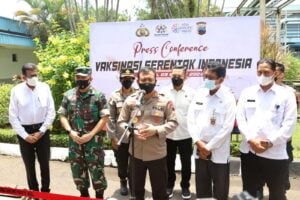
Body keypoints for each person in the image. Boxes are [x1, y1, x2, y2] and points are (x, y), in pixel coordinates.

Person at [237, 58, 297, 200]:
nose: (262, 75)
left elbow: (289, 125)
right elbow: (240, 119)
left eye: (266, 72)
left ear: (274, 73)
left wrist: (269, 143)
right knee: (249, 193)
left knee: (277, 193)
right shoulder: (247, 93)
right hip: (249, 152)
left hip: (275, 154)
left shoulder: (286, 95)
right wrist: (251, 140)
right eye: (259, 72)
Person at [118, 67, 178, 200]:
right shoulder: (131, 101)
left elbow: (174, 123)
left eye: (150, 79)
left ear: (156, 81)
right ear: (138, 81)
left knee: (160, 192)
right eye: (143, 80)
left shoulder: (164, 101)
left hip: (157, 154)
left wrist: (155, 130)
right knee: (136, 191)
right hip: (135, 154)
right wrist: (132, 133)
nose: (147, 82)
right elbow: (121, 122)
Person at [187, 62, 236, 200]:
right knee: (202, 189)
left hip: (218, 152)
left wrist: (208, 147)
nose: (206, 80)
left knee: (220, 190)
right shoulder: (200, 93)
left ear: (221, 80)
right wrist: (198, 142)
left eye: (210, 78)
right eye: (205, 76)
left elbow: (227, 127)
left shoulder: (228, 98)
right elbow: (191, 120)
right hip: (200, 150)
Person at [58, 67, 109, 199]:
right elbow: (62, 115)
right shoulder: (68, 95)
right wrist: (70, 132)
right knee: (78, 174)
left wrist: (91, 134)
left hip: (93, 144)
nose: (80, 80)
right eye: (78, 77)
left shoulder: (98, 96)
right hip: (75, 143)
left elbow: (105, 117)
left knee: (97, 174)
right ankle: (84, 195)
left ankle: (99, 197)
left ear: (90, 79)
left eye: (83, 78)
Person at [9, 63, 55, 193]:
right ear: (24, 77)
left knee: (45, 163)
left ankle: (45, 191)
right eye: (31, 76)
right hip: (25, 131)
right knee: (29, 165)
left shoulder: (44, 87)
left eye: (36, 75)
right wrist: (25, 135)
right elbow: (13, 116)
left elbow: (51, 112)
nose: (35, 78)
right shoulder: (16, 90)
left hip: (42, 130)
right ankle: (33, 192)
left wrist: (41, 131)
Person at [160, 66, 194, 199]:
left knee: (186, 163)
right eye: (173, 75)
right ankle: (169, 185)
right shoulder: (163, 91)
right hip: (168, 134)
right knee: (169, 162)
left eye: (179, 76)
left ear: (185, 77)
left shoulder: (192, 93)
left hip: (186, 134)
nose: (176, 78)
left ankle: (185, 186)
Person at [107, 69, 136, 195]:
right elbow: (111, 118)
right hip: (120, 137)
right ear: (120, 79)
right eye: (125, 78)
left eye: (130, 78)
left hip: (135, 137)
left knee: (135, 164)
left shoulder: (139, 95)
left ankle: (133, 183)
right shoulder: (114, 96)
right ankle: (123, 181)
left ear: (134, 80)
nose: (127, 80)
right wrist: (112, 137)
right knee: (122, 162)